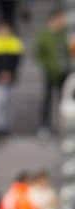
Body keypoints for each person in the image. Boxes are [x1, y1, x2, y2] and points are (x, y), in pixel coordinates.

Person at [35, 9, 69, 137]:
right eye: (61, 19)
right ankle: (44, 126)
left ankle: (63, 126)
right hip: (49, 72)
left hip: (63, 72)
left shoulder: (63, 34)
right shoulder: (45, 35)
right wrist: (47, 66)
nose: (63, 22)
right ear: (54, 19)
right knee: (47, 100)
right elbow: (38, 53)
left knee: (63, 100)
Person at [0, 22, 23, 138]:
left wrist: (9, 74)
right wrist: (0, 74)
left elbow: (16, 62)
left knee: (9, 103)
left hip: (11, 78)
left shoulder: (15, 43)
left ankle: (7, 127)